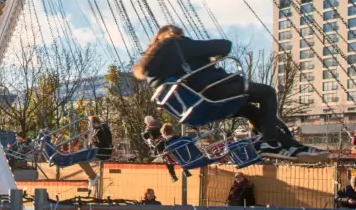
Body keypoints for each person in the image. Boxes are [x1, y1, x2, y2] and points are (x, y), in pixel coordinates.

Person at [133, 26, 324, 160]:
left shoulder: (151, 69)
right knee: (267, 93)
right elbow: (224, 46)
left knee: (249, 110)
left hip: (196, 108)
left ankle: (290, 146)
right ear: (172, 34)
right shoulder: (175, 44)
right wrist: (207, 55)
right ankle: (270, 143)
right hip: (212, 93)